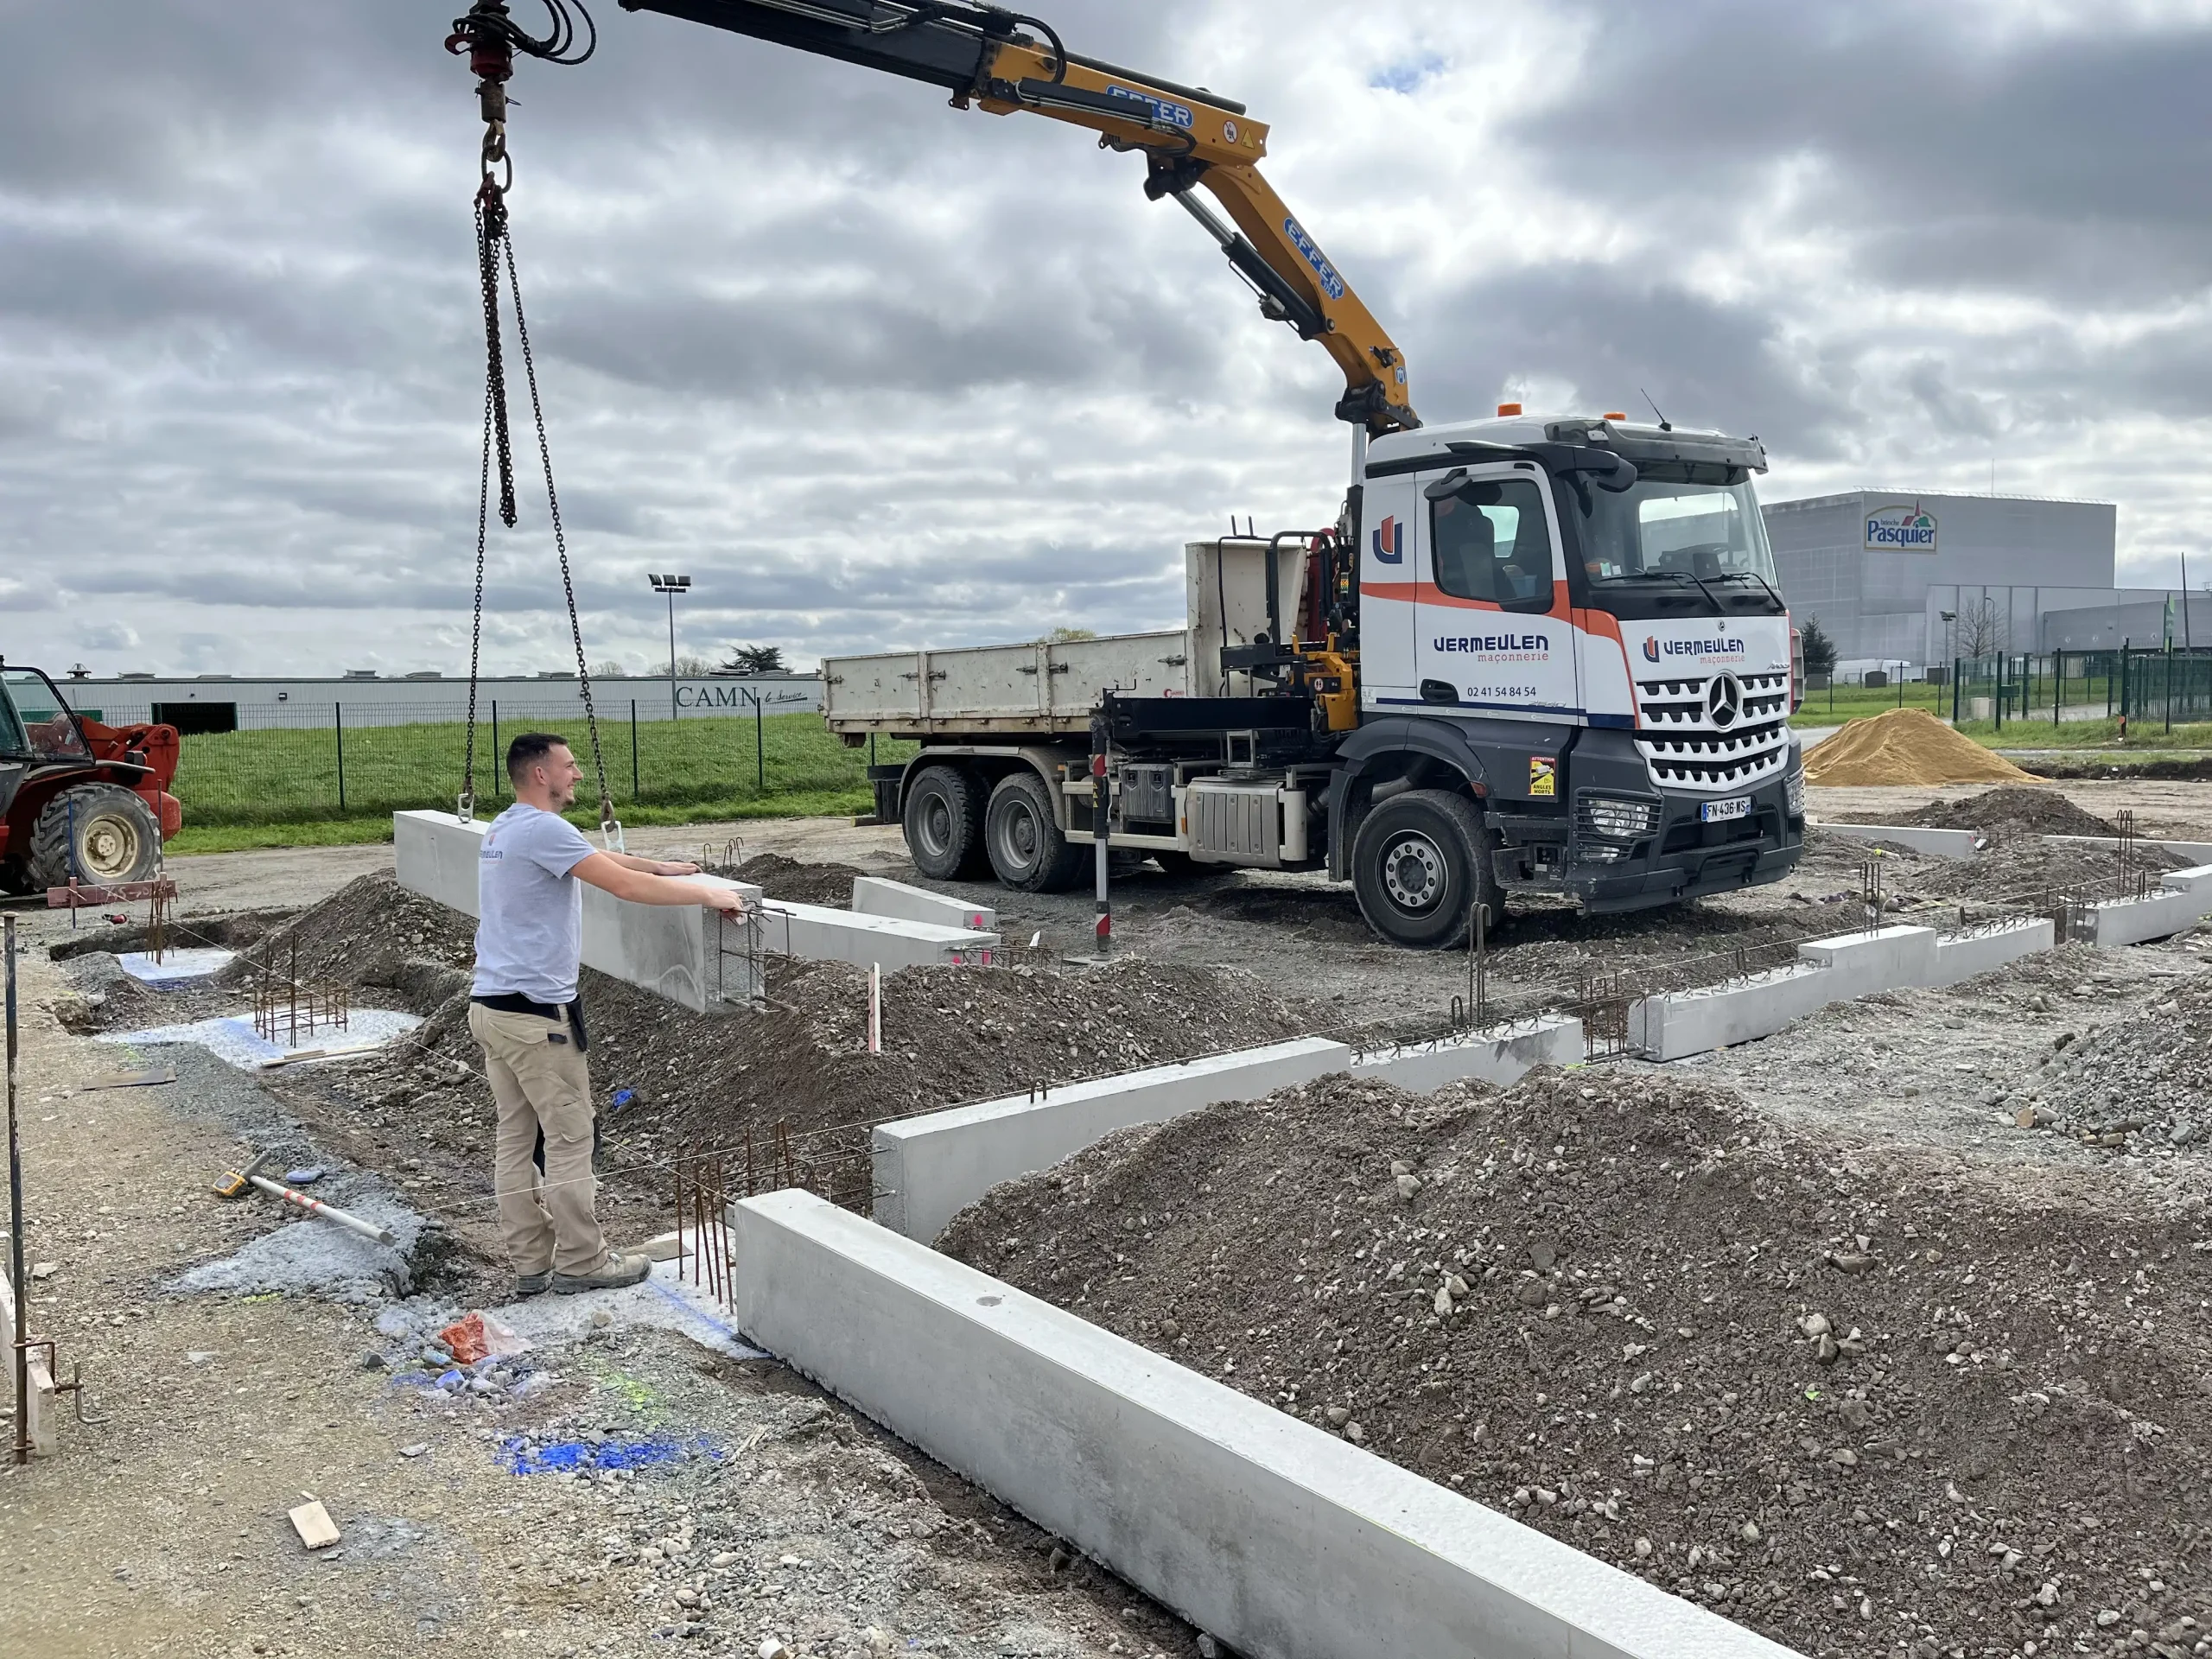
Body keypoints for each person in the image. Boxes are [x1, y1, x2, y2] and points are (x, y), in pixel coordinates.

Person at [468, 732, 747, 1295]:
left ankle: (531, 1264)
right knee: (570, 1138)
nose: (577, 775)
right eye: (569, 767)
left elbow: (600, 860)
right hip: (537, 1019)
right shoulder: (543, 828)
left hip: (492, 1009)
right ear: (541, 774)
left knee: (515, 1139)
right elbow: (619, 885)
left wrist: (662, 866)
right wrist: (707, 895)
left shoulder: (506, 827)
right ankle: (582, 1261)